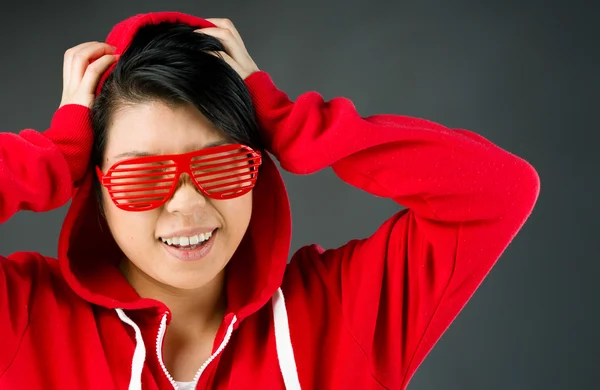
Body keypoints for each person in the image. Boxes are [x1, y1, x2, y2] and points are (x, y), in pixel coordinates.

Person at [0, 11, 540, 390]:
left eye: (221, 165)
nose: (187, 207)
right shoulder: (23, 318)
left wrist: (294, 125)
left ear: (256, 169)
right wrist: (49, 158)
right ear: (95, 186)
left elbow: (499, 189)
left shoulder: (341, 311)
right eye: (143, 176)